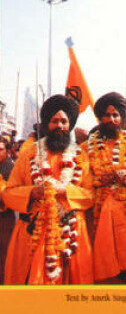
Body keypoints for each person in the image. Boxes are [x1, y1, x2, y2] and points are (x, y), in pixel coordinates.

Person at [3, 94, 94, 285]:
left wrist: (65, 192)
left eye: (64, 121)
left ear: (69, 125)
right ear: (46, 124)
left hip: (71, 233)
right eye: (54, 121)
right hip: (33, 233)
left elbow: (90, 195)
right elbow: (9, 193)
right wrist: (32, 193)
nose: (59, 126)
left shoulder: (81, 155)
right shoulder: (29, 153)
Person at [84, 92, 126, 283]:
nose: (111, 119)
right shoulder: (86, 147)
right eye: (106, 115)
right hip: (97, 215)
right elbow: (82, 182)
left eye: (116, 115)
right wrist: (100, 181)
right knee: (102, 269)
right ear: (100, 118)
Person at [0, 137, 16, 284]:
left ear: (8, 151)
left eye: (0, 150)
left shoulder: (11, 168)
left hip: (4, 218)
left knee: (3, 253)